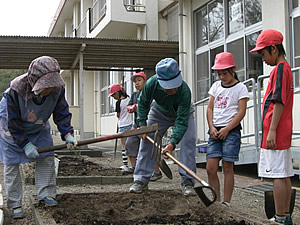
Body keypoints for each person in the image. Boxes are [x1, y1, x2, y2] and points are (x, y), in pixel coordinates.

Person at [0, 56, 77, 219]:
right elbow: (13, 122)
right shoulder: (16, 90)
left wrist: (67, 133)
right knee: (12, 164)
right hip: (11, 130)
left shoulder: (58, 88)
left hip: (38, 125)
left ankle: (46, 194)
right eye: (46, 86)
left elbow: (61, 112)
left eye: (51, 85)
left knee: (47, 157)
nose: (49, 89)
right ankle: (15, 204)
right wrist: (25, 144)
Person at [129, 58, 197, 196]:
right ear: (160, 82)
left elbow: (182, 122)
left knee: (188, 141)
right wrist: (142, 124)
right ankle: (140, 179)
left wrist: (172, 143)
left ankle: (187, 181)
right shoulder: (151, 84)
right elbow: (142, 103)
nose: (172, 89)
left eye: (174, 85)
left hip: (182, 114)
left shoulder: (184, 91)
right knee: (147, 141)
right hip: (159, 113)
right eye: (168, 86)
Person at [250, 29, 294, 225]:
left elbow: (277, 101)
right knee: (284, 174)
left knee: (277, 175)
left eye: (263, 54)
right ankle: (285, 215)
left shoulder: (280, 70)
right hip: (283, 129)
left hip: (275, 131)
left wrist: (272, 130)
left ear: (274, 49)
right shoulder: (286, 69)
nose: (263, 59)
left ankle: (280, 217)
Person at [206, 52, 249, 207]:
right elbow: (210, 108)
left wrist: (227, 129)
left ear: (233, 69)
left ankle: (226, 202)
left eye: (225, 73)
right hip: (214, 131)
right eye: (219, 74)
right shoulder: (216, 86)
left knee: (227, 166)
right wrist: (211, 126)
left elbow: (241, 112)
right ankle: (215, 200)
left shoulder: (241, 88)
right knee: (211, 167)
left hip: (231, 131)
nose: (222, 77)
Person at [125, 72, 163, 181]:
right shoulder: (134, 95)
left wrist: (138, 106)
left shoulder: (151, 93)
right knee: (129, 143)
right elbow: (129, 108)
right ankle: (134, 166)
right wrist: (135, 106)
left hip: (150, 126)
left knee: (151, 149)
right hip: (136, 126)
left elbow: (154, 106)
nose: (137, 83)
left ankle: (156, 171)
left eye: (139, 80)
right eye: (135, 81)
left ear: (145, 81)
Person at [109, 84, 133, 174]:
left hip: (122, 125)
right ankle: (134, 164)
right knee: (131, 145)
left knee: (124, 146)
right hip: (130, 124)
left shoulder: (118, 103)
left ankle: (125, 165)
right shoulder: (129, 99)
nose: (113, 97)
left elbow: (118, 115)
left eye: (113, 95)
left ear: (118, 93)